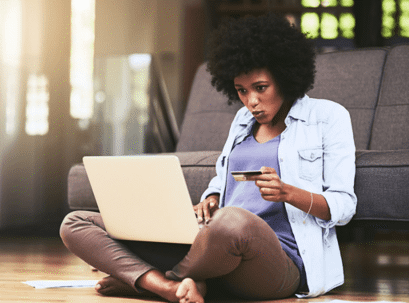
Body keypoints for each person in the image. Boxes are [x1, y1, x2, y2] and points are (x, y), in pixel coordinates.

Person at [60, 14, 357, 302]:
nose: (251, 101)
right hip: (213, 247)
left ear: (286, 77)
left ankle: (145, 281)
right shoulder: (242, 121)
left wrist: (288, 193)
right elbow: (224, 179)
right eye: (241, 90)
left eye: (261, 88)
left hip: (279, 261)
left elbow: (344, 206)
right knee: (76, 223)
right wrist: (211, 199)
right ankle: (168, 286)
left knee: (233, 221)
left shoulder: (327, 117)